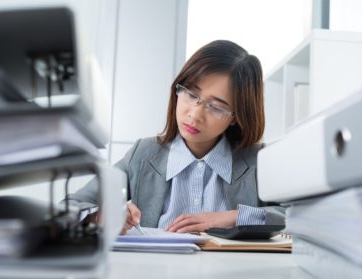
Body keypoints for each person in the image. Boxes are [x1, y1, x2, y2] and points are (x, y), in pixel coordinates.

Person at [66, 40, 285, 234]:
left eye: (216, 107)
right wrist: (99, 215)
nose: (195, 115)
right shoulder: (143, 155)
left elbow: (295, 216)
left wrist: (233, 217)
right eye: (190, 94)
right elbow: (71, 205)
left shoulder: (258, 161)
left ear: (236, 117)